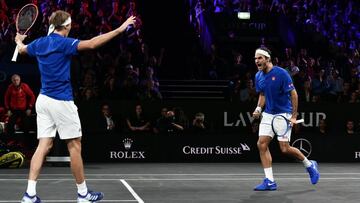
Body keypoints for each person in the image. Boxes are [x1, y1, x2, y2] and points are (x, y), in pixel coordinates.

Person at [15, 10, 136, 203]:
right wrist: (120, 29)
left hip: (43, 100)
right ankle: (83, 194)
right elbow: (93, 43)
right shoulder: (64, 43)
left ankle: (29, 194)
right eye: (71, 25)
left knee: (43, 145)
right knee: (74, 146)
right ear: (67, 26)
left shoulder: (39, 43)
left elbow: (22, 50)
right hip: (61, 101)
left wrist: (19, 40)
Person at [252, 47, 320, 191]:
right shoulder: (258, 76)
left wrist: (294, 116)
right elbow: (262, 94)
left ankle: (309, 165)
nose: (257, 61)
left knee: (284, 148)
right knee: (261, 144)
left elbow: (294, 94)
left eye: (260, 58)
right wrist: (258, 108)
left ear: (267, 59)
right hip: (268, 114)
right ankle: (269, 181)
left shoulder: (282, 74)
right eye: (255, 58)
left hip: (283, 114)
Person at [4, 74, 35, 140]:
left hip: (23, 110)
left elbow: (32, 96)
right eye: (14, 80)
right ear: (12, 80)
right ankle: (11, 142)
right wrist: (8, 109)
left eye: (17, 80)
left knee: (26, 126)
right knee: (10, 126)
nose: (16, 81)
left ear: (19, 80)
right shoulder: (10, 87)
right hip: (14, 110)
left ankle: (26, 143)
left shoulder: (24, 86)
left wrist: (29, 108)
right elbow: (6, 98)